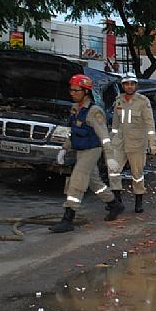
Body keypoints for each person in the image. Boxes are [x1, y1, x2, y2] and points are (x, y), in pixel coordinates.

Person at [50, 74, 123, 233]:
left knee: (77, 180)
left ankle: (68, 218)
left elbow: (104, 137)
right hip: (80, 151)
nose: (72, 93)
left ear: (86, 92)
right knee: (94, 182)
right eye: (71, 90)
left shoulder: (94, 111)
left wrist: (110, 158)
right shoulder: (75, 109)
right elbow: (74, 133)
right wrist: (64, 148)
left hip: (92, 150)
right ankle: (114, 204)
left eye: (76, 90)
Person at [109, 72, 156, 213]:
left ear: (136, 85)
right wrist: (111, 142)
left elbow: (150, 124)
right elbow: (115, 125)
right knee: (113, 171)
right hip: (119, 142)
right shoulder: (118, 101)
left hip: (137, 143)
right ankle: (117, 201)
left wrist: (152, 144)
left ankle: (138, 201)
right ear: (123, 85)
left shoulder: (143, 102)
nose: (129, 86)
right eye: (126, 84)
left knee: (137, 174)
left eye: (132, 84)